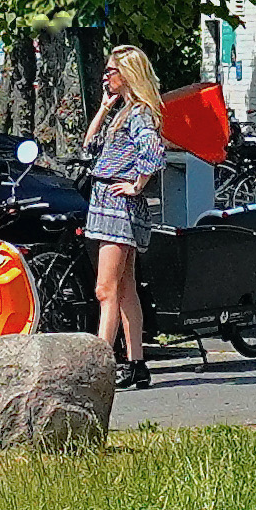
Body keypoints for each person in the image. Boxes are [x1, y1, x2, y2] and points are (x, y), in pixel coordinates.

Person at [82, 45, 166, 389]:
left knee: (106, 289)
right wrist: (104, 107)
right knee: (126, 288)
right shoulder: (124, 111)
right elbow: (88, 147)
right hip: (107, 199)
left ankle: (103, 363)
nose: (106, 77)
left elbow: (153, 151)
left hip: (119, 203)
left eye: (111, 71)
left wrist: (137, 185)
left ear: (129, 74)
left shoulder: (140, 113)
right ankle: (136, 362)